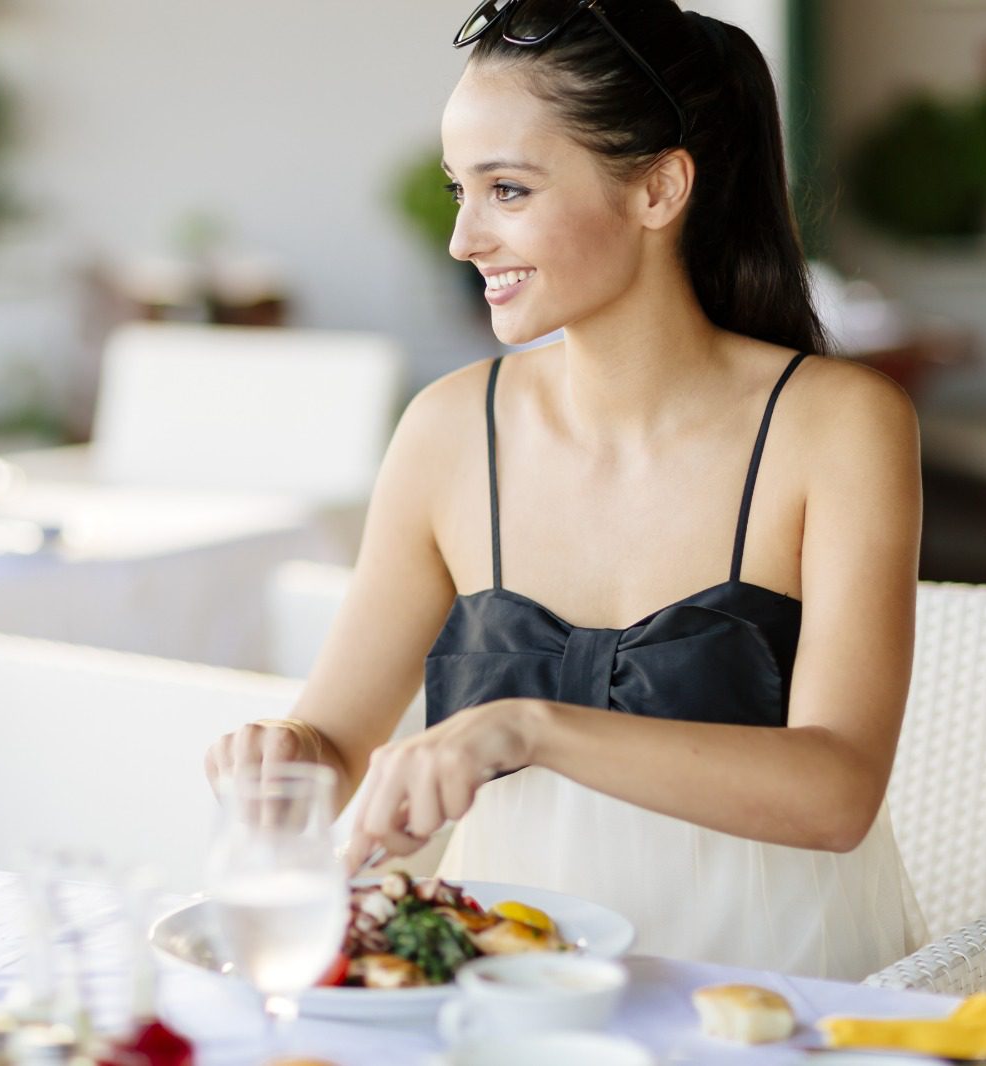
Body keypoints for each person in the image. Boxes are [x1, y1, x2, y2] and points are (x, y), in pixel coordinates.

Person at [205, 0, 927, 980]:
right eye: (461, 188)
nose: (463, 238)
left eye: (507, 189)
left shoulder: (836, 424)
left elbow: (837, 793)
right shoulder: (447, 430)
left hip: (771, 986)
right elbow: (332, 741)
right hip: (507, 981)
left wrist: (528, 726)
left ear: (658, 190)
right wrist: (283, 756)